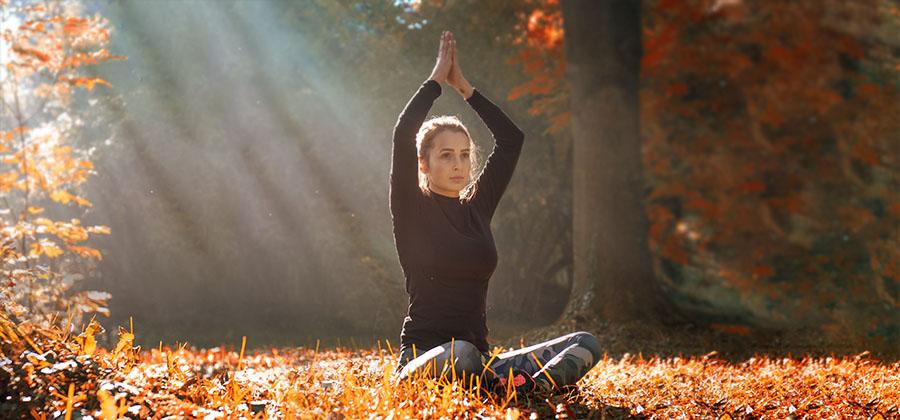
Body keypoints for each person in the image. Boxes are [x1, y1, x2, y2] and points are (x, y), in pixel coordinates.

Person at [389, 30, 601, 397]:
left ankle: (522, 388)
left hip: (482, 362)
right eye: (445, 155)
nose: (458, 164)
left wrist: (466, 89)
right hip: (427, 360)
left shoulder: (477, 209)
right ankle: (510, 389)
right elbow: (403, 133)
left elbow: (511, 140)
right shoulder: (411, 208)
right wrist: (436, 81)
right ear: (423, 164)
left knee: (586, 343)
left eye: (464, 154)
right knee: (462, 354)